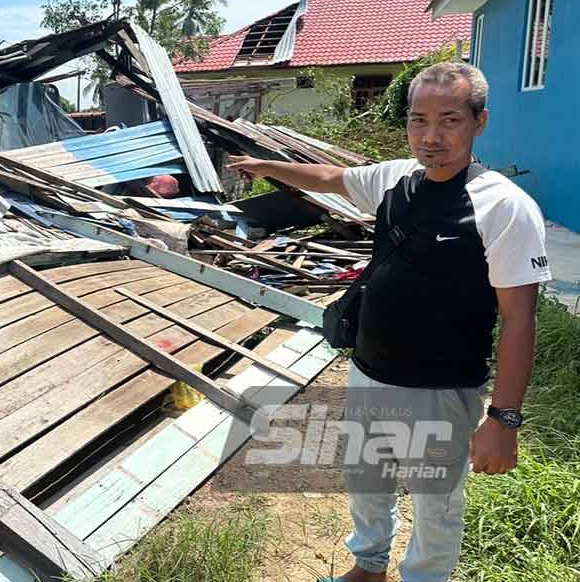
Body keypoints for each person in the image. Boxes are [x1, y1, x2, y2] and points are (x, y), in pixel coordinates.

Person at [227, 62, 551, 582]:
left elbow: (520, 319)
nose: (431, 136)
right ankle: (369, 566)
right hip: (370, 369)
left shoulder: (503, 207)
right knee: (367, 478)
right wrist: (268, 166)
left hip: (441, 386)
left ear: (479, 122)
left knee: (434, 502)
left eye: (449, 120)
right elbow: (332, 178)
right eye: (418, 121)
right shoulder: (395, 178)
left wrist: (503, 419)